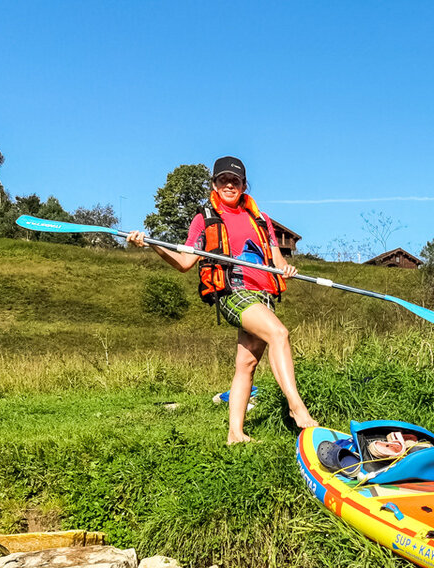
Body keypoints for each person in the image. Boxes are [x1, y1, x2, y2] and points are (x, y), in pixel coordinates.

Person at [128, 157, 318, 443]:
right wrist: (152, 243)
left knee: (247, 364)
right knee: (279, 333)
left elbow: (278, 262)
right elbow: (184, 261)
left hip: (262, 294)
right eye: (223, 180)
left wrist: (287, 270)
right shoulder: (204, 218)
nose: (229, 185)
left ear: (243, 185)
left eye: (235, 181)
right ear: (214, 184)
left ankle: (235, 433)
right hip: (233, 291)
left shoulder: (261, 219)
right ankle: (297, 408)